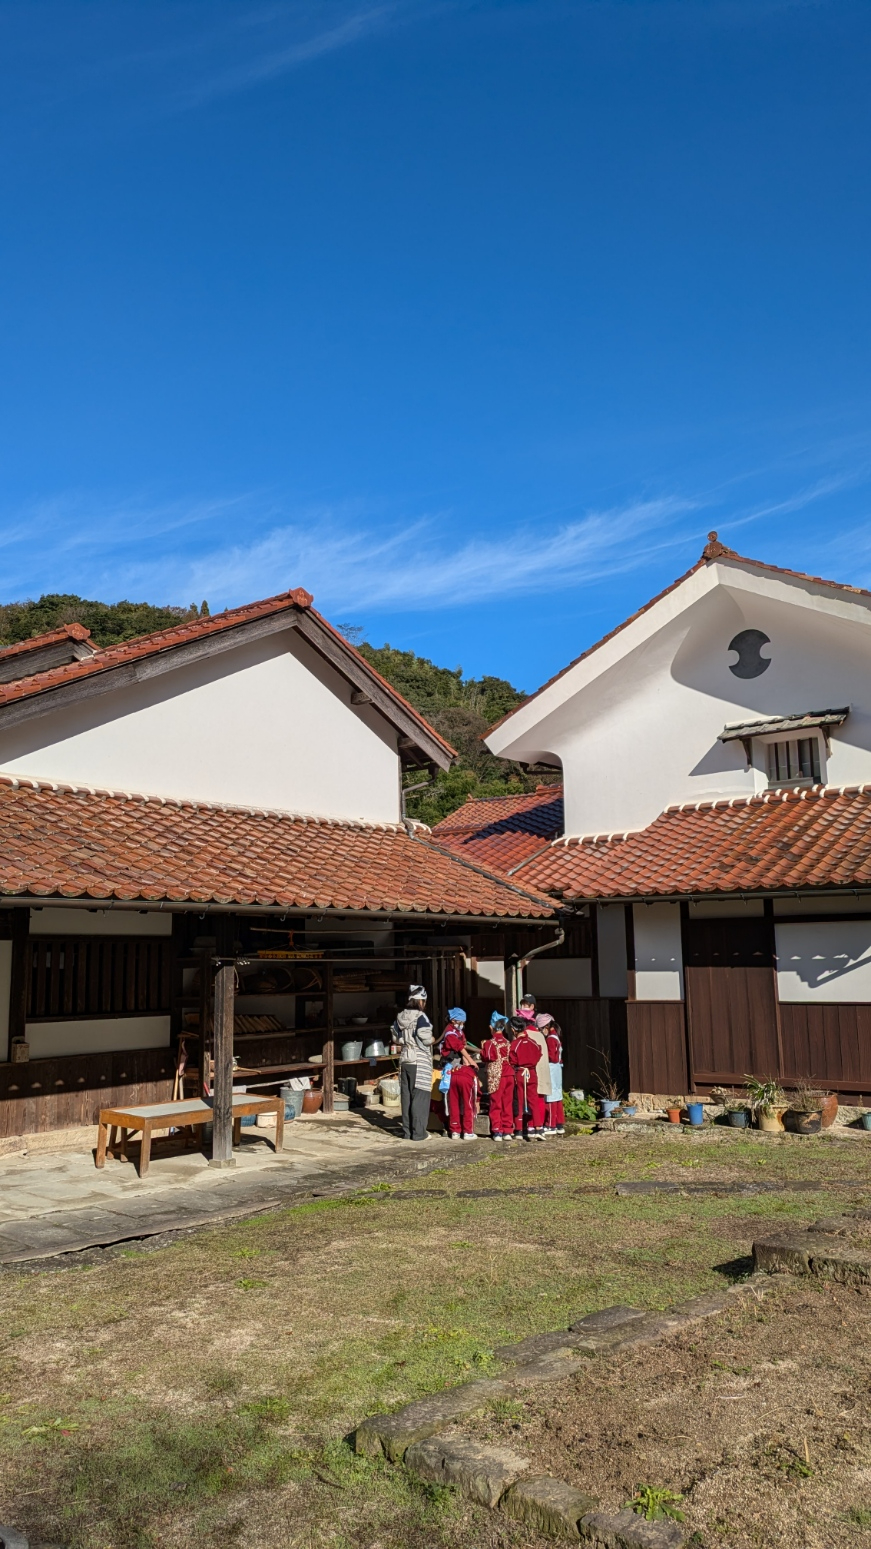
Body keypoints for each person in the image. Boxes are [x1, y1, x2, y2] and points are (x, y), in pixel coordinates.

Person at [391, 985, 435, 1142]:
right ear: (420, 1001)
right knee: (420, 1095)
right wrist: (432, 1040)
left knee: (407, 1096)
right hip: (419, 1059)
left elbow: (395, 1038)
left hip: (404, 1059)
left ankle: (408, 1132)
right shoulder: (421, 1017)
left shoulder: (400, 1016)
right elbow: (425, 1037)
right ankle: (419, 1133)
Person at [439, 1008, 479, 1141]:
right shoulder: (450, 1033)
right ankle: (466, 1131)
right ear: (453, 1020)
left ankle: (455, 1131)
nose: (461, 1024)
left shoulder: (458, 1032)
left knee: (454, 1102)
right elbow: (461, 1049)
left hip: (456, 1071)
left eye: (463, 1022)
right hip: (452, 1070)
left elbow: (463, 1047)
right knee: (464, 1102)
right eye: (459, 1022)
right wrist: (472, 1061)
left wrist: (468, 1063)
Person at [508, 1012, 548, 1141]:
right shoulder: (533, 1042)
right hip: (532, 1073)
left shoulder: (514, 1044)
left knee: (519, 1101)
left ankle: (519, 1130)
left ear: (514, 1029)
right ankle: (538, 1128)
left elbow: (512, 1060)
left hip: (520, 1073)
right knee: (534, 1101)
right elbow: (539, 1053)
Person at [480, 1012, 513, 1142]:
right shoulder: (508, 1042)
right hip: (509, 1074)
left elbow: (487, 1057)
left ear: (491, 1027)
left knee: (496, 1103)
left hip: (496, 1076)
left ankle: (497, 1130)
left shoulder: (490, 1043)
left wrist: (483, 1047)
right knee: (508, 1103)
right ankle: (508, 1130)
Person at [537, 1013, 565, 1135]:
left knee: (551, 1097)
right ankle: (559, 1123)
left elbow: (552, 1057)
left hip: (552, 1069)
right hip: (557, 1069)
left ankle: (551, 1125)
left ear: (546, 1026)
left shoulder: (550, 1039)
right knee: (557, 1096)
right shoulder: (556, 1036)